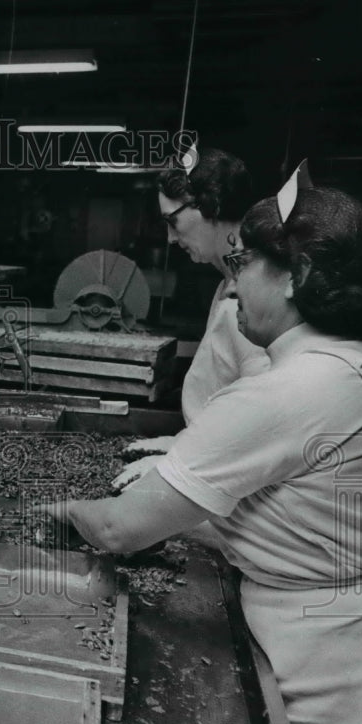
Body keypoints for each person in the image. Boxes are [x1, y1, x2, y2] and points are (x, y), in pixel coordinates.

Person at [44, 185, 362, 724]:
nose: (233, 285)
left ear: (294, 275)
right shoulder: (359, 362)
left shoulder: (291, 388)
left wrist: (58, 508)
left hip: (330, 680)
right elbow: (297, 519)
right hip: (357, 650)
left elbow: (116, 528)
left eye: (243, 263)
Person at [113, 147, 272, 490]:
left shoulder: (251, 298)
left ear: (210, 206)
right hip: (210, 462)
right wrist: (184, 444)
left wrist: (186, 462)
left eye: (173, 221)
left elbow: (261, 424)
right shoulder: (226, 286)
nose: (170, 238)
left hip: (229, 483)